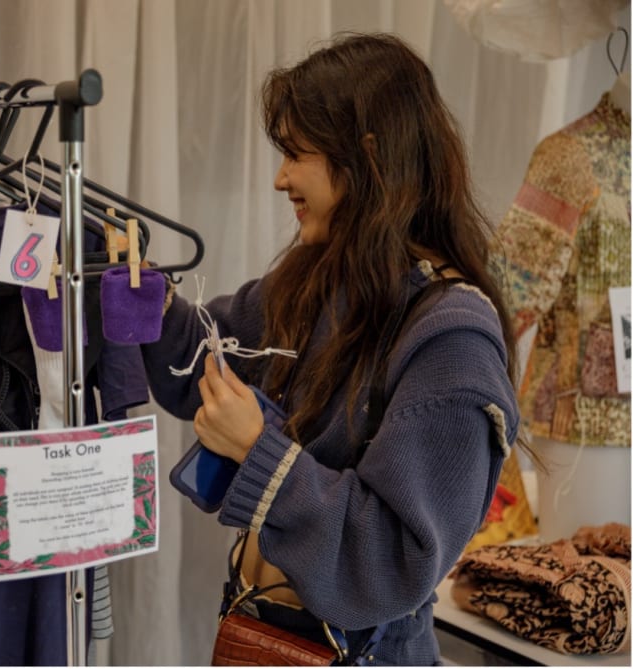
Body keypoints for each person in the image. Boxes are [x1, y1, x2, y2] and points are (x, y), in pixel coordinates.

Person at [142, 32, 526, 665]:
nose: (279, 178)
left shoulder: (452, 342)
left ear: (367, 157)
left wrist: (256, 451)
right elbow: (203, 360)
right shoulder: (320, 280)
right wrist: (139, 296)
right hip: (261, 634)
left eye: (297, 154)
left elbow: (393, 557)